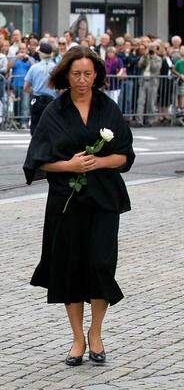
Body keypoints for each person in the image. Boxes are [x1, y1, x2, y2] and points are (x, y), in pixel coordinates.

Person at [24, 46, 135, 367]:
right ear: (66, 76)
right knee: (70, 267)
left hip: (103, 199)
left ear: (97, 75)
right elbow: (38, 161)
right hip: (66, 202)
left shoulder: (108, 108)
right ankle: (76, 339)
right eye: (76, 74)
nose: (83, 80)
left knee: (101, 264)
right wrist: (70, 166)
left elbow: (125, 155)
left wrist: (98, 161)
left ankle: (96, 333)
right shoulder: (54, 111)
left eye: (88, 74)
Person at [24, 42, 57, 135]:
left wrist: (33, 91)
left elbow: (26, 87)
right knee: (50, 124)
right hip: (51, 99)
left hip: (37, 98)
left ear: (41, 53)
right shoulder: (55, 68)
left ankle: (35, 145)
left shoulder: (34, 67)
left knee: (35, 123)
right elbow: (60, 87)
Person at [136, 43, 162, 126]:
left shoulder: (158, 59)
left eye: (153, 48)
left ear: (156, 49)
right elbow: (139, 65)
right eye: (150, 48)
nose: (151, 49)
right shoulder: (144, 56)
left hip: (153, 82)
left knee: (151, 102)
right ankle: (139, 121)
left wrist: (151, 58)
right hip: (143, 81)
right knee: (141, 101)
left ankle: (149, 121)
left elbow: (155, 68)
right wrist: (145, 57)